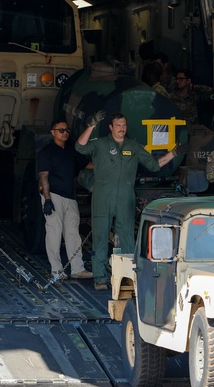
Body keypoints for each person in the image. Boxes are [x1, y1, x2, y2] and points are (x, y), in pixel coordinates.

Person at [76, 111, 179, 290]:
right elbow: (80, 147)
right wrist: (91, 125)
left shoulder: (134, 146)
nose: (122, 129)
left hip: (125, 198)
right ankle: (100, 277)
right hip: (102, 197)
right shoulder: (99, 144)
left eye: (124, 125)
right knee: (100, 236)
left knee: (127, 238)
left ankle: (128, 277)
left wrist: (174, 153)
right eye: (118, 125)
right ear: (111, 127)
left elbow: (154, 165)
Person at [37, 120, 93, 281]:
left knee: (73, 234)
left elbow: (87, 165)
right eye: (60, 130)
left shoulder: (71, 150)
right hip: (53, 196)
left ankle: (77, 269)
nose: (65, 133)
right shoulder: (46, 152)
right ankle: (56, 270)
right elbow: (43, 176)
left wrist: (108, 164)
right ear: (52, 132)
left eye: (66, 130)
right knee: (54, 233)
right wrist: (47, 200)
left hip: (70, 196)